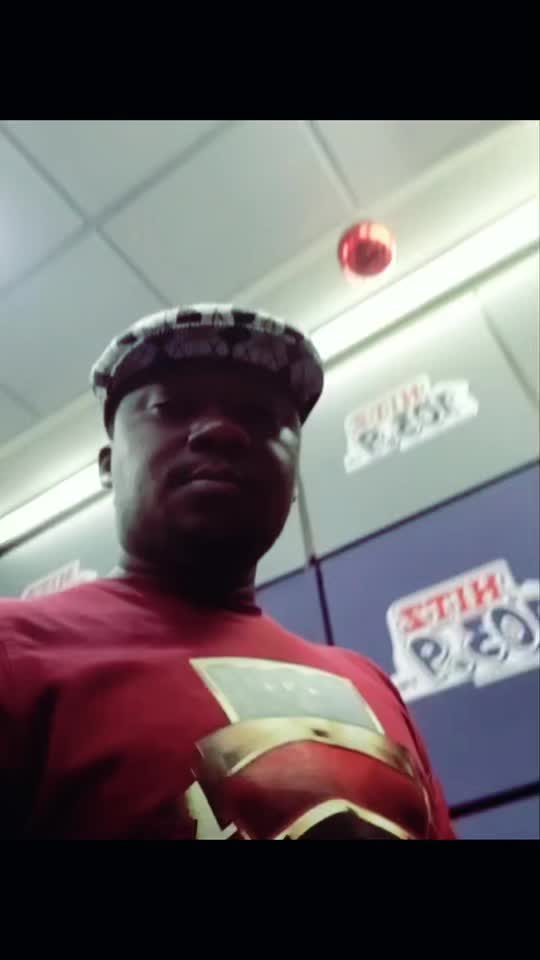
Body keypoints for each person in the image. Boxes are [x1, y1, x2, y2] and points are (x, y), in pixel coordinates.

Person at [0, 305, 456, 839]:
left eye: (260, 416)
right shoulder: (14, 649)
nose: (221, 431)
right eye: (171, 407)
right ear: (107, 465)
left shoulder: (372, 686)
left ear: (294, 471)